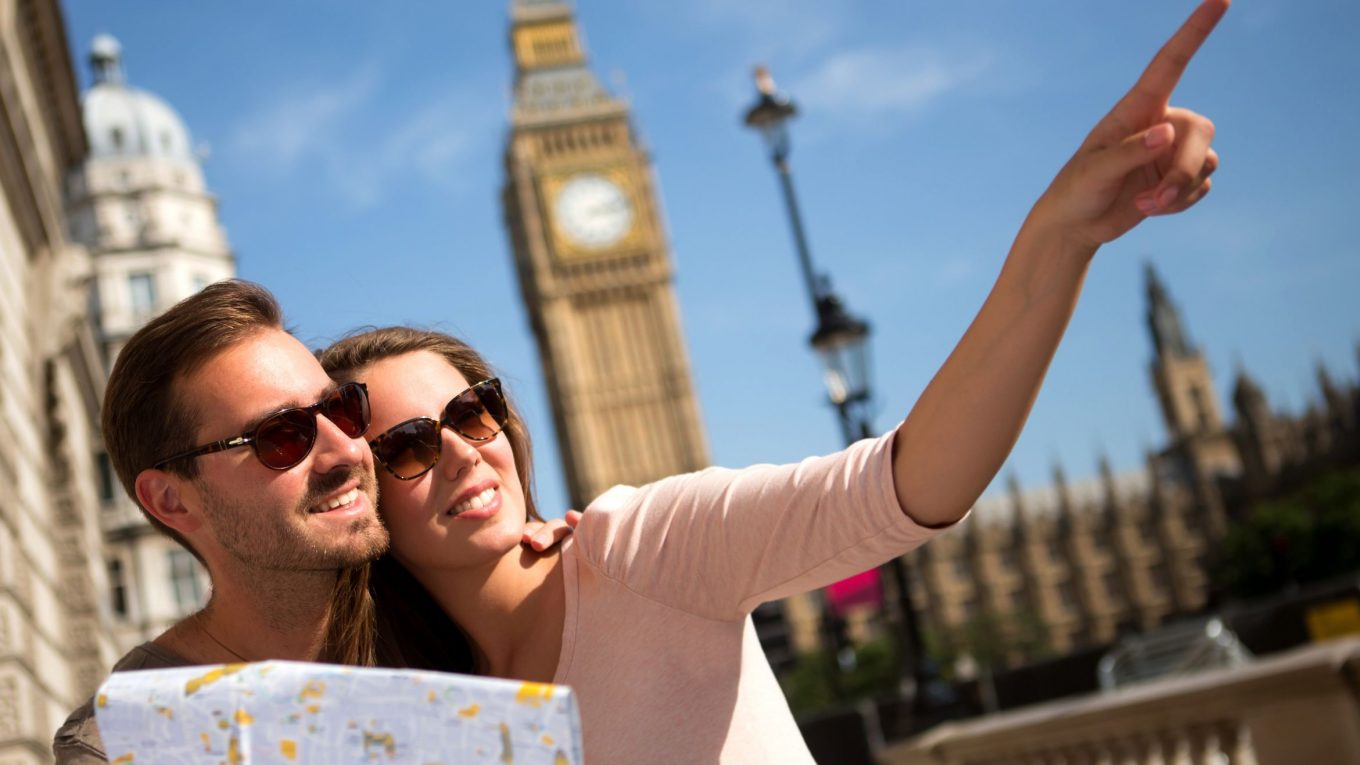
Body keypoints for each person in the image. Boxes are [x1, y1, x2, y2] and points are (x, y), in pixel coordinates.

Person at [317, 3, 1229, 761]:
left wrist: (1059, 236)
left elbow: (904, 485)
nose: (460, 450)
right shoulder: (420, 716)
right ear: (363, 504)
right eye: (405, 446)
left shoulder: (641, 549)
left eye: (472, 410)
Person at [52, 281, 574, 764]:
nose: (348, 450)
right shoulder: (130, 741)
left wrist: (569, 550)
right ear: (171, 501)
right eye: (282, 437)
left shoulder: (430, 609)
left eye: (344, 410)